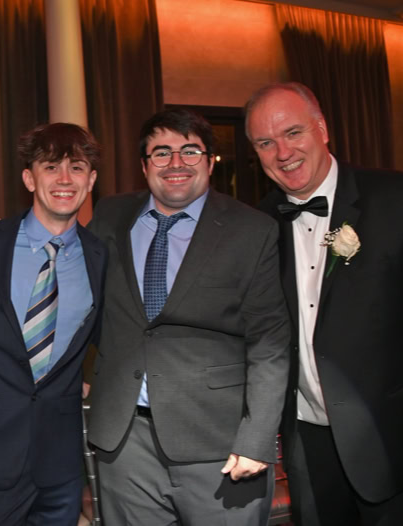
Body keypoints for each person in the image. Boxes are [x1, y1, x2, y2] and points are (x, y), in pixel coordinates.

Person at [248, 81, 403, 526]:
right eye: (265, 143)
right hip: (307, 449)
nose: (283, 152)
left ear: (323, 129)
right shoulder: (257, 224)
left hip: (397, 446)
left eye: (293, 133)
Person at [85, 108, 290, 524]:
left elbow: (270, 342)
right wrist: (0, 234)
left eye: (190, 151)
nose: (175, 163)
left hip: (218, 444)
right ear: (144, 165)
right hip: (125, 443)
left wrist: (257, 439)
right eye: (161, 153)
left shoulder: (252, 229)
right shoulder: (109, 216)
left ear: (211, 161)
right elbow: (75, 286)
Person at [0, 123, 108, 525]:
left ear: (91, 180)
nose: (64, 179)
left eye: (77, 167)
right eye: (51, 167)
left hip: (60, 465)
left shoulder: (100, 258)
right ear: (29, 178)